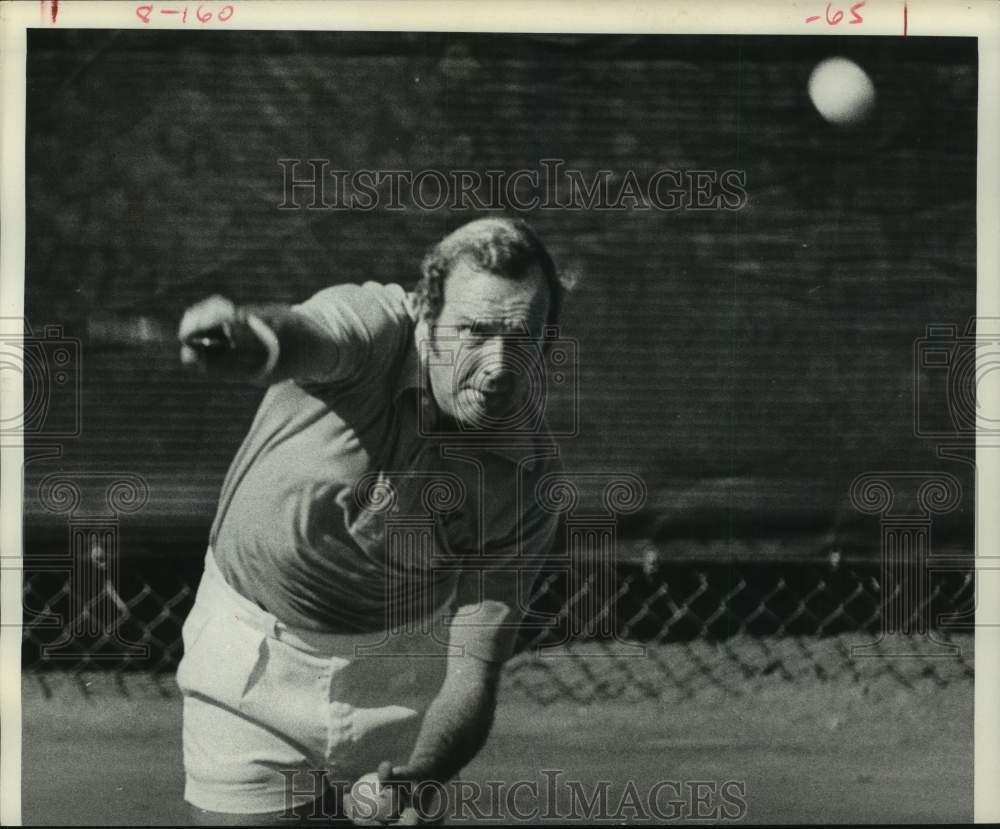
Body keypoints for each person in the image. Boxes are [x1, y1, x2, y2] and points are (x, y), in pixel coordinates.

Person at [176, 217, 568, 825]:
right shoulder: (371, 327)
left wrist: (422, 775)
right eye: (473, 331)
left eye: (520, 338)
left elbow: (474, 666)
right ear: (424, 317)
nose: (498, 366)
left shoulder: (530, 477)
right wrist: (246, 337)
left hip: (404, 686)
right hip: (250, 665)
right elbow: (303, 334)